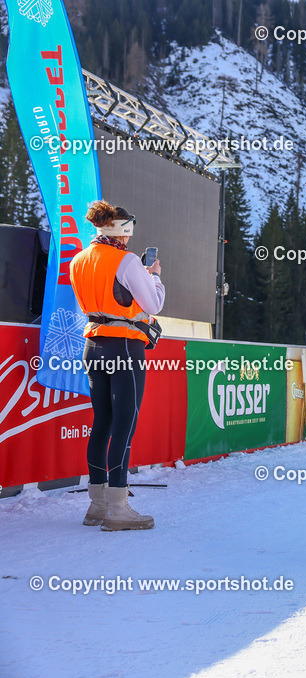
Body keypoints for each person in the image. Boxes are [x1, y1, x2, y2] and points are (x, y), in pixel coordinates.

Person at [69, 200, 164, 531]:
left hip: (92, 345)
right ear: (124, 232)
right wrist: (153, 278)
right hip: (124, 347)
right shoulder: (126, 261)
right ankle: (118, 508)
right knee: (125, 424)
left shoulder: (78, 259)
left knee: (102, 423)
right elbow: (153, 304)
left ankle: (96, 505)